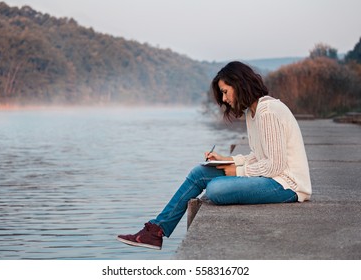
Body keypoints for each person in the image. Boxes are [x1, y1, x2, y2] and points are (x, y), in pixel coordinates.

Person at [117, 61, 312, 250]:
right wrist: (228, 160)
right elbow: (259, 156)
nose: (224, 99)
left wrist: (236, 170)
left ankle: (157, 230)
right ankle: (156, 230)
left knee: (216, 189)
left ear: (239, 84)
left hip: (287, 185)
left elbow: (274, 166)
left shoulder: (268, 111)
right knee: (199, 172)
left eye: (225, 92)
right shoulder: (253, 113)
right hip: (273, 180)